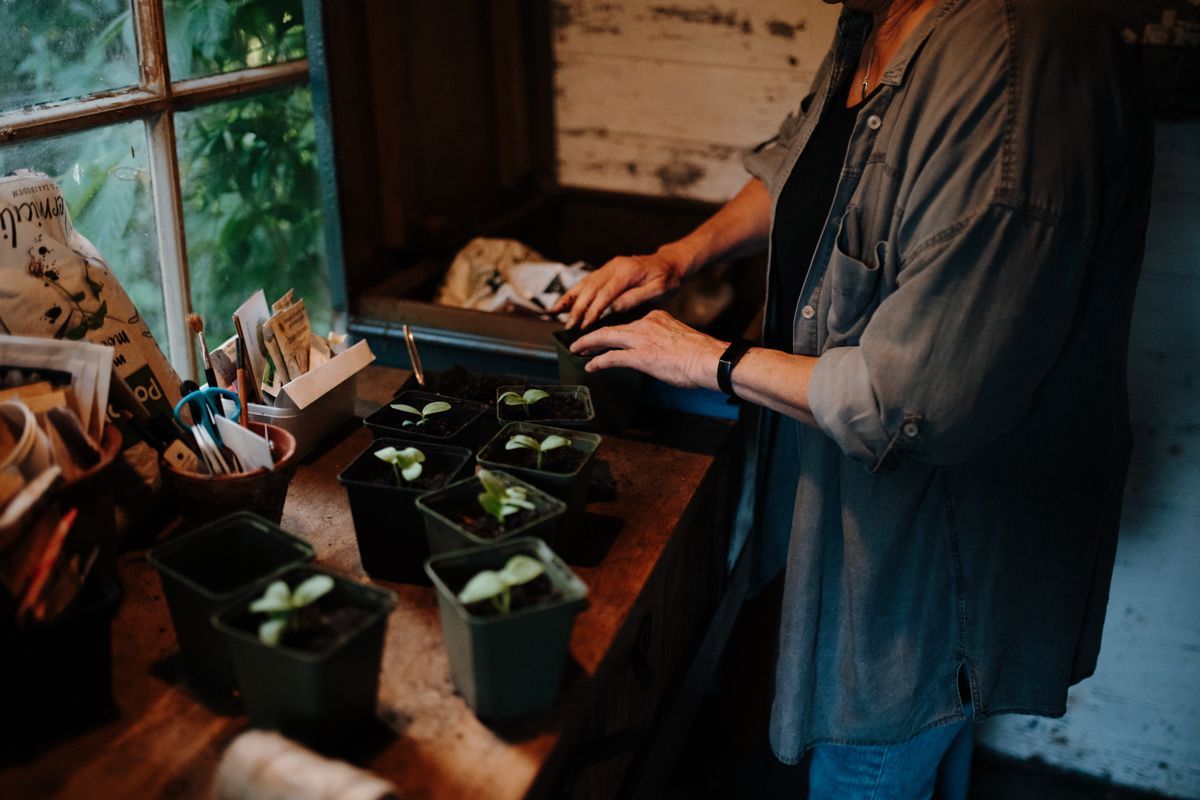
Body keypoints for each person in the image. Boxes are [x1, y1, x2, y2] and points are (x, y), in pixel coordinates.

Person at [551, 0, 1154, 797]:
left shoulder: (1009, 61)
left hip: (938, 541)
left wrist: (710, 360)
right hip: (866, 501)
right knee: (925, 745)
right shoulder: (875, 22)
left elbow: (915, 400)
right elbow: (804, 167)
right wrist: (677, 256)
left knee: (876, 750)